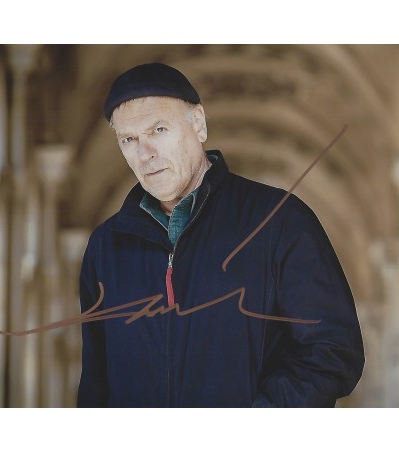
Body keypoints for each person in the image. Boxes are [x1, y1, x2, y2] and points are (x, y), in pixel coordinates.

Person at [77, 62, 364, 407]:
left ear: (198, 124)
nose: (145, 154)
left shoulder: (279, 220)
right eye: (129, 139)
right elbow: (95, 384)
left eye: (158, 130)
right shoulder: (106, 247)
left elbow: (333, 350)